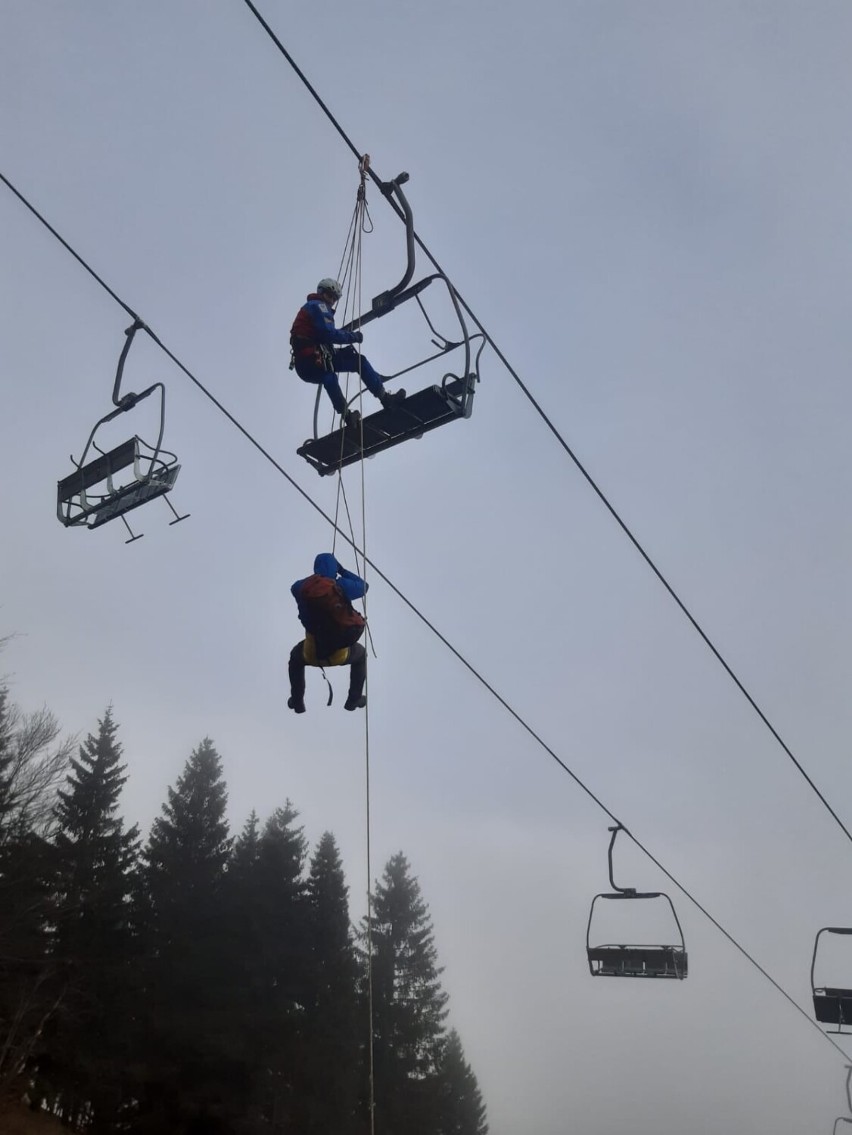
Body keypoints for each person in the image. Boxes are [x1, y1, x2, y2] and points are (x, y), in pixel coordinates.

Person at [290, 277, 406, 427]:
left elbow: (321, 335)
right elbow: (329, 334)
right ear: (321, 293)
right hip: (313, 359)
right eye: (329, 295)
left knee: (329, 378)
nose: (331, 300)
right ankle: (385, 399)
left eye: (334, 298)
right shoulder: (319, 306)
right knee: (359, 362)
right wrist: (354, 337)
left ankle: (347, 416)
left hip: (305, 365)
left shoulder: (311, 307)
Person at [288, 552, 369, 713]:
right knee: (361, 655)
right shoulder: (341, 586)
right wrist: (341, 570)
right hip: (341, 654)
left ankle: (297, 702)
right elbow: (364, 586)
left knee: (295, 659)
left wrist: (317, 578)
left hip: (311, 653)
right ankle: (353, 700)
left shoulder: (301, 587)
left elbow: (295, 588)